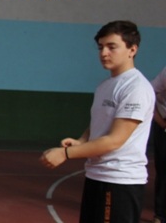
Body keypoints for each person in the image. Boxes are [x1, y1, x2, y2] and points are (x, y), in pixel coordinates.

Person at [40, 20, 154, 222]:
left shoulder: (135, 88)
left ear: (132, 50)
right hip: (97, 176)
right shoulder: (106, 85)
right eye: (101, 47)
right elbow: (99, 121)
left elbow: (114, 140)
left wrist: (66, 153)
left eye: (112, 47)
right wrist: (83, 141)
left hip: (120, 182)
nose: (104, 53)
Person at [151, 66, 166, 223]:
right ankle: (160, 215)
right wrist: (162, 124)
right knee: (164, 172)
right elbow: (149, 94)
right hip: (164, 124)